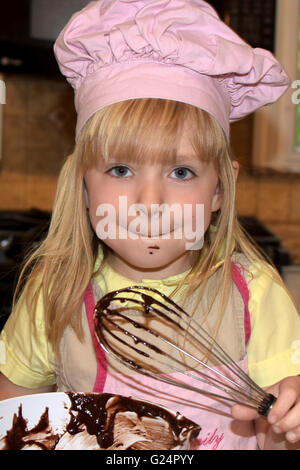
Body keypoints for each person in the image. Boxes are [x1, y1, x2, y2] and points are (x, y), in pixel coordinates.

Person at [0, 0, 300, 450]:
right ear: (83, 185)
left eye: (181, 172)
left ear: (220, 189)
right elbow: (14, 418)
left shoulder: (254, 296)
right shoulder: (54, 293)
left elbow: (281, 429)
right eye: (121, 170)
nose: (149, 202)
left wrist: (284, 424)